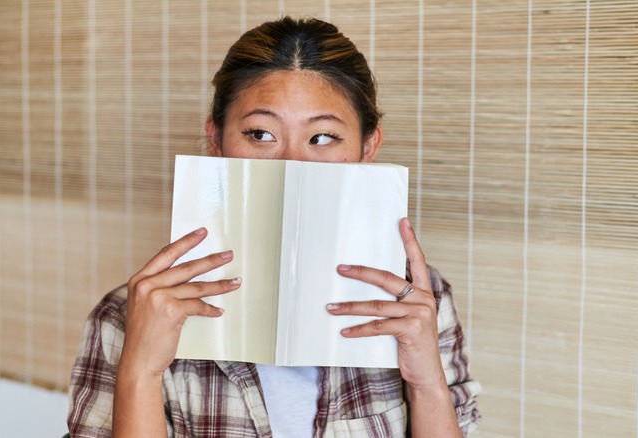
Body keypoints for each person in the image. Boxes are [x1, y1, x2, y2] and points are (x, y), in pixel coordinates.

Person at [68, 16, 480, 437]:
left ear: (367, 146)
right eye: (261, 134)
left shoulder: (420, 303)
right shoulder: (128, 316)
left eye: (322, 137)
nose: (291, 167)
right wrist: (140, 373)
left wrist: (427, 383)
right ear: (217, 141)